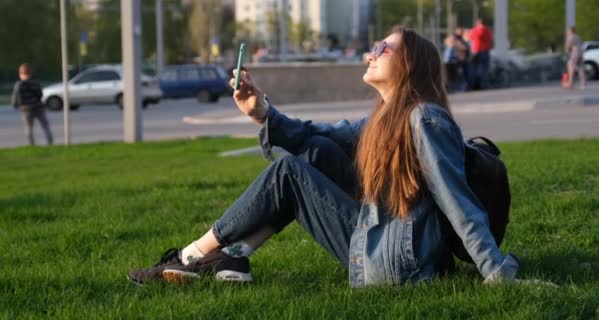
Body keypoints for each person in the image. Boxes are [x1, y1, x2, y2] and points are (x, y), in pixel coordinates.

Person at [128, 27, 520, 287]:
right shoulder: (387, 119)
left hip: (400, 261)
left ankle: (190, 255)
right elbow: (315, 133)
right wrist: (262, 112)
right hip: (394, 246)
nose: (372, 53)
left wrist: (496, 270)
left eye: (384, 48)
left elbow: (457, 200)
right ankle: (234, 256)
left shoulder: (425, 119)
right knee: (317, 151)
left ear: (409, 64)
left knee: (288, 173)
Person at [11, 63, 53, 146]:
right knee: (45, 126)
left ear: (20, 74)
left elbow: (15, 96)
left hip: (26, 109)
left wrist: (15, 105)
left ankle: (32, 145)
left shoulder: (18, 85)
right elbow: (40, 94)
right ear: (30, 73)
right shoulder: (35, 83)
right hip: (38, 107)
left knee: (29, 128)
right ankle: (50, 142)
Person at [468, 18, 493, 90]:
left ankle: (474, 85)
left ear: (478, 23)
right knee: (485, 69)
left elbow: (471, 38)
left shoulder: (475, 30)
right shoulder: (488, 30)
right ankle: (485, 85)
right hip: (486, 50)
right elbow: (490, 39)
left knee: (474, 69)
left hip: (477, 50)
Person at [564, 26, 586, 90]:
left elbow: (568, 46)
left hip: (575, 54)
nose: (567, 32)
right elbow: (580, 44)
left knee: (570, 67)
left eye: (568, 31)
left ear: (571, 31)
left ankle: (570, 83)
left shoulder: (571, 37)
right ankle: (583, 84)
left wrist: (568, 51)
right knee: (581, 69)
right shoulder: (578, 37)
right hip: (580, 53)